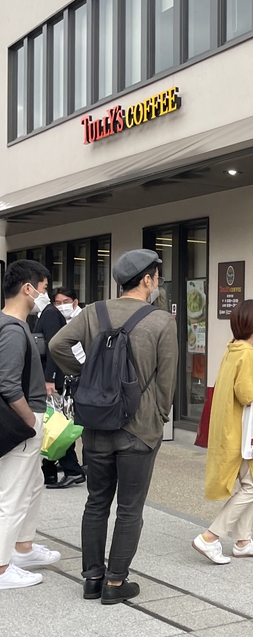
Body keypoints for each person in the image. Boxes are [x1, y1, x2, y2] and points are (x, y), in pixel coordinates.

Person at [49, 249, 177, 604]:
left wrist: (86, 374)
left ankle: (92, 578)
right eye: (156, 277)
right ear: (147, 280)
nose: (157, 283)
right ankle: (116, 582)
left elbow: (58, 344)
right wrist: (158, 416)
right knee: (130, 507)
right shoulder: (161, 321)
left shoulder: (94, 311)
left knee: (96, 502)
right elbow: (166, 381)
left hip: (96, 424)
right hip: (139, 428)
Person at [193, 299, 253, 564]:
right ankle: (210, 537)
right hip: (247, 432)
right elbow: (246, 395)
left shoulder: (234, 349)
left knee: (249, 484)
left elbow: (242, 387)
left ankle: (243, 542)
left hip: (234, 429)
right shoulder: (248, 354)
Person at [0, 260, 62, 590]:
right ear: (28, 288)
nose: (45, 295)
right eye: (43, 288)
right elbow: (9, 385)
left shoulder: (12, 324)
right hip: (22, 419)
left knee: (33, 484)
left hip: (24, 417)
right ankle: (2, 567)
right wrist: (29, 420)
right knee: (12, 494)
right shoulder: (13, 329)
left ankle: (22, 548)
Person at [38, 286, 86, 489]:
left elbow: (53, 348)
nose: (61, 306)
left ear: (75, 302)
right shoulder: (52, 315)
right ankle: (54, 467)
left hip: (69, 377)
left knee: (58, 423)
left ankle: (72, 469)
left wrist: (50, 379)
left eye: (65, 302)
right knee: (55, 422)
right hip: (63, 377)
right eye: (57, 302)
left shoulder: (78, 319)